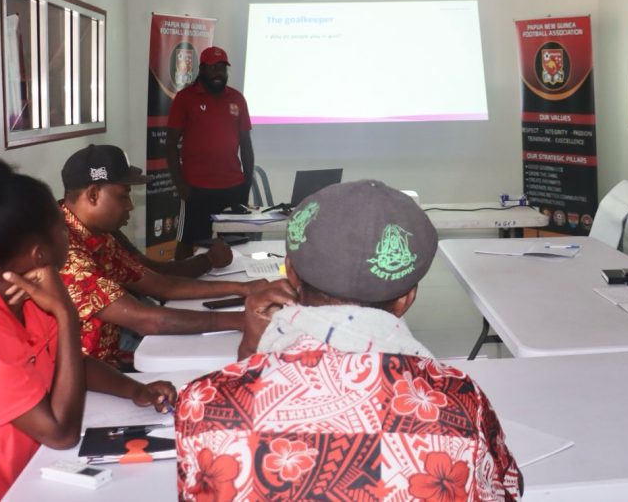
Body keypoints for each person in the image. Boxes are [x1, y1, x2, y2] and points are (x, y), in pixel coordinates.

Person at [175, 180, 523, 500]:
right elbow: (507, 489)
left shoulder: (202, 402)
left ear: (290, 273)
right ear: (407, 298)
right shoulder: (459, 399)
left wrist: (250, 355)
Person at [0, 146, 176, 500]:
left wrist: (135, 390)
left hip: (21, 478)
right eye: (60, 228)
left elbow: (70, 365)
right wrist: (67, 315)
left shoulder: (26, 292)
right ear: (40, 253)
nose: (68, 233)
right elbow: (59, 433)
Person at [59, 144, 282, 370]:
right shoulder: (64, 250)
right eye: (123, 195)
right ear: (93, 194)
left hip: (113, 356)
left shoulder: (95, 234)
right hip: (90, 374)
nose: (130, 206)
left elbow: (161, 285)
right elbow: (146, 320)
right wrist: (241, 321)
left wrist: (244, 289)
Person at [166, 46, 254, 259]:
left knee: (236, 244)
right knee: (187, 242)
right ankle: (181, 287)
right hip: (196, 189)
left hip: (233, 187)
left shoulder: (237, 99)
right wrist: (180, 185)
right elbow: (170, 145)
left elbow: (246, 145)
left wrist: (247, 183)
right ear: (202, 69)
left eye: (222, 68)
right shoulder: (185, 98)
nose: (218, 73)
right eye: (213, 68)